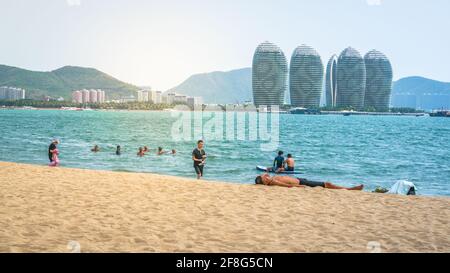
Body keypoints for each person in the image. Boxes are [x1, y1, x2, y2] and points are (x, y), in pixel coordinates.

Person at [255, 173, 364, 191]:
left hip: (300, 180)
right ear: (264, 182)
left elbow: (263, 174)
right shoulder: (273, 182)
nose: (266, 176)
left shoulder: (271, 179)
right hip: (301, 183)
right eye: (264, 178)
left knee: (326, 184)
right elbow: (286, 185)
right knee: (327, 184)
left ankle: (348, 188)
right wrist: (299, 187)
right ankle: (349, 189)